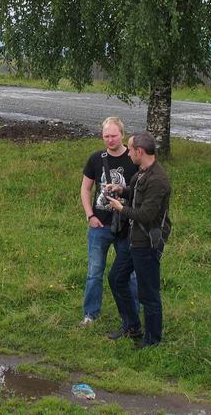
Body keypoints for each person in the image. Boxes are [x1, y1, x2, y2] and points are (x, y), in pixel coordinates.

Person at [107, 131, 172, 348]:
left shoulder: (158, 180)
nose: (128, 153)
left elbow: (147, 215)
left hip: (147, 244)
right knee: (116, 278)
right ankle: (132, 326)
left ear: (140, 151)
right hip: (132, 241)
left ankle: (152, 341)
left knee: (149, 294)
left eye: (130, 148)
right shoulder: (141, 173)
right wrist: (120, 190)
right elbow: (134, 193)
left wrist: (121, 208)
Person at [79, 116, 139, 326]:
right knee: (94, 272)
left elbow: (141, 192)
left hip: (126, 226)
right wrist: (90, 215)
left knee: (129, 274)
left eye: (114, 135)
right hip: (99, 225)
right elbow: (86, 188)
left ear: (122, 134)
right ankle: (90, 314)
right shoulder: (96, 158)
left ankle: (132, 315)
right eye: (106, 136)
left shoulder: (134, 159)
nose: (110, 140)